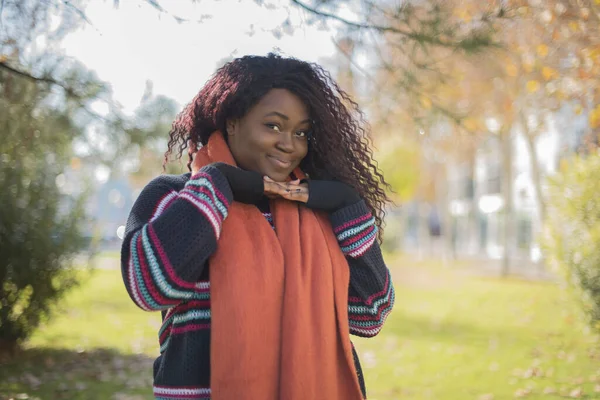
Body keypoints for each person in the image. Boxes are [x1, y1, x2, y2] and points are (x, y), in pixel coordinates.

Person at [120, 53, 395, 400]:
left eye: (301, 132)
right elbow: (149, 287)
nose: (289, 144)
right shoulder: (176, 195)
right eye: (273, 126)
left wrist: (348, 206)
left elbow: (370, 315)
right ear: (232, 122)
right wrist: (216, 182)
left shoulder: (318, 208)